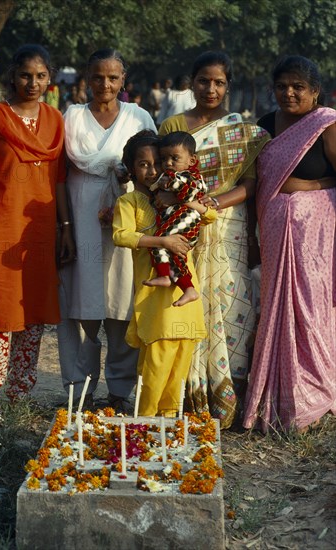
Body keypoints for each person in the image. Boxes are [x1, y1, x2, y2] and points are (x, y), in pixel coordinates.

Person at [159, 51, 270, 428]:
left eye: (219, 82)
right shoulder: (174, 124)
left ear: (228, 86)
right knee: (187, 304)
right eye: (204, 80)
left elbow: (249, 185)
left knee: (230, 307)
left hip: (228, 227)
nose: (211, 88)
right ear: (191, 82)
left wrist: (211, 202)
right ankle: (186, 398)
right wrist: (187, 205)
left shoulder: (241, 130)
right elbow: (162, 175)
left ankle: (228, 404)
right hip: (183, 226)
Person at [0, 44, 74, 414]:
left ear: (50, 78)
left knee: (32, 310)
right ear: (12, 75)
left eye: (41, 76)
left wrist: (64, 228)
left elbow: (59, 178)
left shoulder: (55, 121)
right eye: (26, 74)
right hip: (0, 227)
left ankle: (18, 395)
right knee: (0, 310)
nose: (33, 82)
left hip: (41, 229)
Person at [58, 49, 156, 413]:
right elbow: (59, 176)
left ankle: (119, 390)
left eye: (113, 78)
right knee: (81, 304)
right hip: (79, 210)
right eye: (98, 77)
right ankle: (78, 390)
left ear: (123, 81)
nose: (105, 84)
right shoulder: (71, 117)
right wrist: (65, 227)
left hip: (125, 216)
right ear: (87, 77)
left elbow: (152, 169)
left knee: (121, 304)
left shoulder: (138, 116)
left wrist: (125, 192)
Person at [243, 55, 336, 433]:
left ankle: (313, 397)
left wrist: (308, 187)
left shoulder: (327, 124)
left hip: (314, 236)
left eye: (298, 87)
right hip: (274, 231)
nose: (289, 93)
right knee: (276, 312)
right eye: (282, 86)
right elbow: (254, 185)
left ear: (315, 92)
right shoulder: (264, 126)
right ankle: (280, 395)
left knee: (309, 310)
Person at [113, 130, 217, 416]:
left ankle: (169, 420)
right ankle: (145, 420)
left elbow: (210, 215)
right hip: (153, 295)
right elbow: (121, 236)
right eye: (143, 164)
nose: (153, 170)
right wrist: (161, 241)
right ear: (131, 168)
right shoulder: (129, 202)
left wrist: (187, 202)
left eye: (157, 162)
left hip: (185, 289)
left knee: (180, 356)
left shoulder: (173, 198)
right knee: (156, 359)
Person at [145, 131, 207, 307]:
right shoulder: (170, 177)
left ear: (192, 161)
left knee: (158, 241)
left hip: (186, 222)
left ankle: (164, 276)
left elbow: (189, 191)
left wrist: (169, 181)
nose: (168, 163)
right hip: (176, 223)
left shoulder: (193, 177)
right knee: (176, 258)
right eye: (164, 159)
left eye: (175, 158)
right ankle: (187, 288)